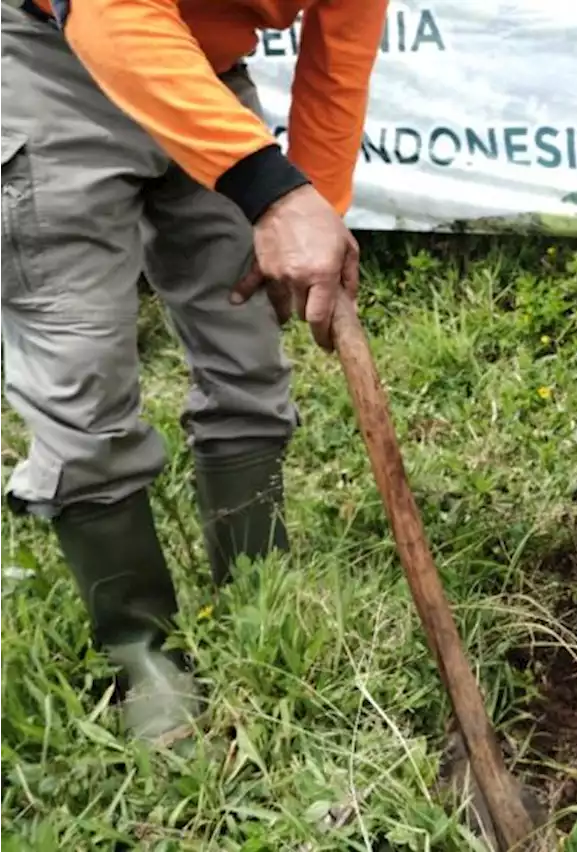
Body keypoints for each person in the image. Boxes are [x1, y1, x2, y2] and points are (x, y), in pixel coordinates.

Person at [0, 0, 388, 742]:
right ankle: (142, 651)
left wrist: (315, 209)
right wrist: (266, 190)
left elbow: (339, 60)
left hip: (204, 72)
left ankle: (256, 594)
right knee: (82, 384)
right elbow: (111, 14)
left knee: (246, 345)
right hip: (51, 65)